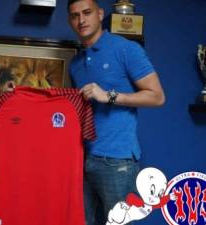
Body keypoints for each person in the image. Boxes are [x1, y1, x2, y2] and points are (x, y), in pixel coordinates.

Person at [67, 1, 165, 225]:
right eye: (74, 16)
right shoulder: (75, 63)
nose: (81, 20)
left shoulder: (125, 49)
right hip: (82, 160)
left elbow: (157, 96)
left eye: (87, 13)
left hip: (117, 161)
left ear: (100, 14)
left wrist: (108, 96)